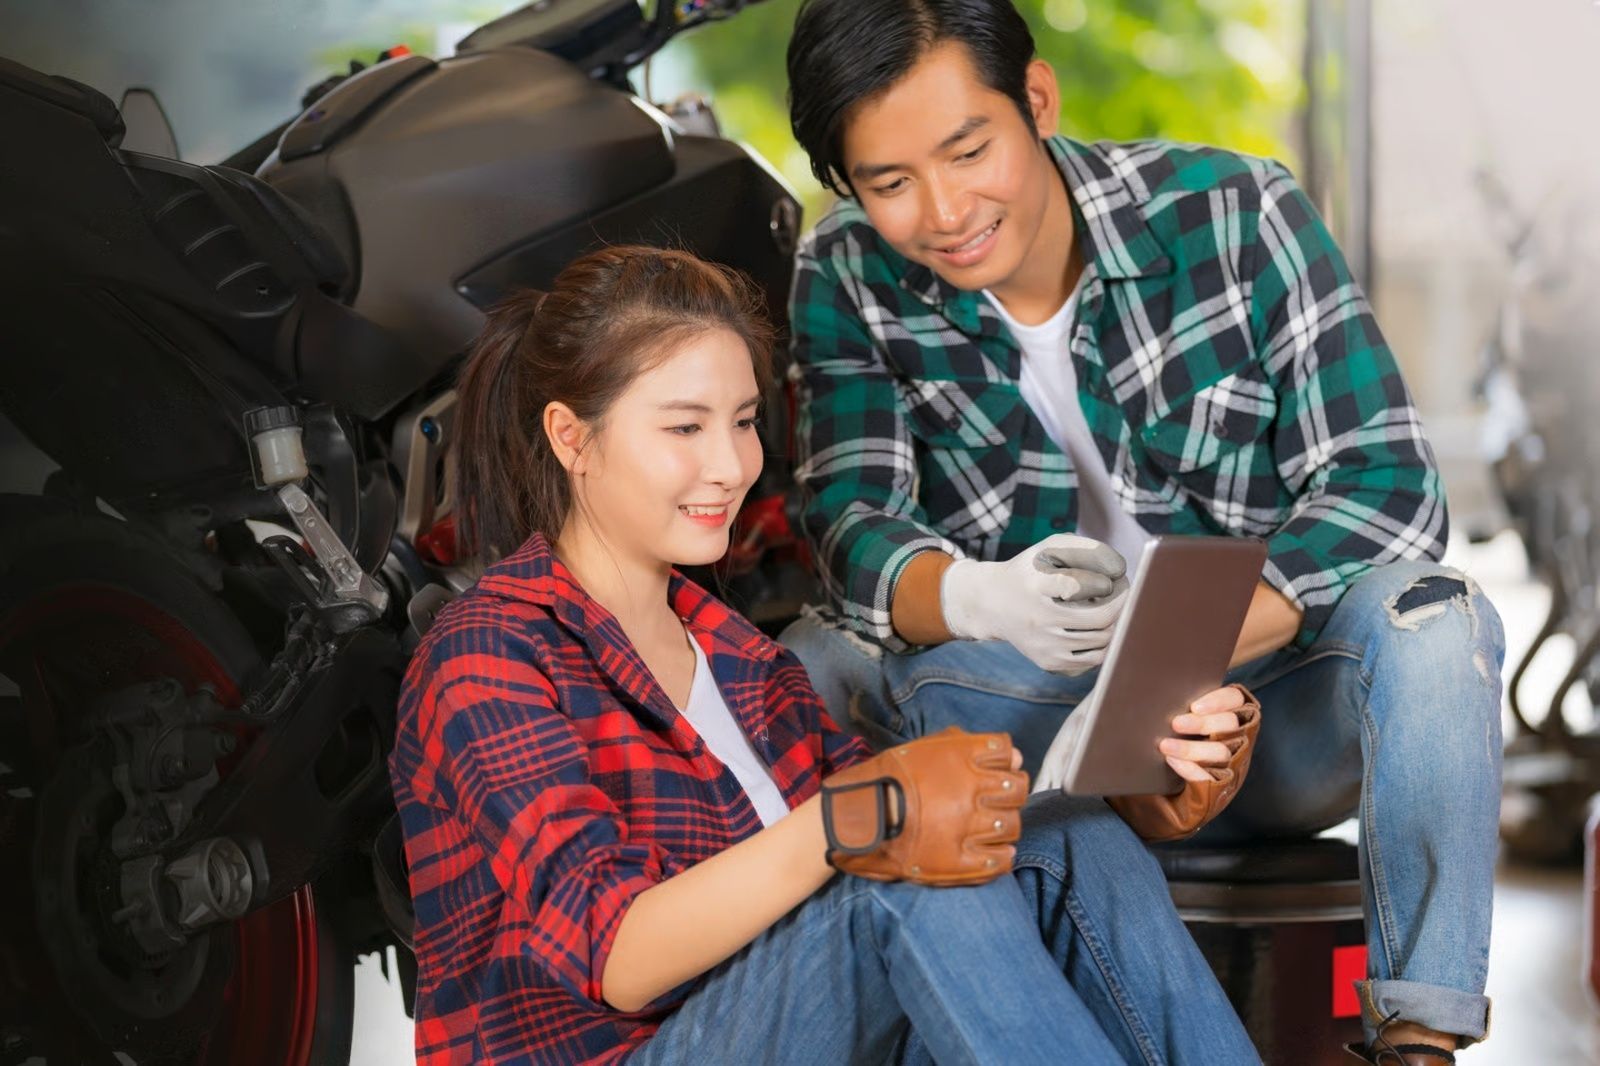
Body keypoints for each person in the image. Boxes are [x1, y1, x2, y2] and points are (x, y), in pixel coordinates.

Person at [777, 2, 1507, 1063]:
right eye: (888, 183)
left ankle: (1414, 1042)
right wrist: (978, 596)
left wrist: (1171, 658)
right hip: (1030, 735)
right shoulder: (846, 271)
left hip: (1267, 714)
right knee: (812, 662)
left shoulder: (1236, 212)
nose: (943, 211)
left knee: (1438, 623)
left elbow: (1385, 485)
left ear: (1036, 100)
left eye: (968, 150)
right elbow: (851, 525)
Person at [388, 244, 1265, 1065]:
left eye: (741, 422)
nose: (731, 465)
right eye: (685, 428)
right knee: (898, 879)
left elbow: (915, 856)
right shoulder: (490, 654)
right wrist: (869, 814)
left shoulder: (744, 663)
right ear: (571, 437)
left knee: (1072, 841)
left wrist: (1143, 797)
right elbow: (616, 952)